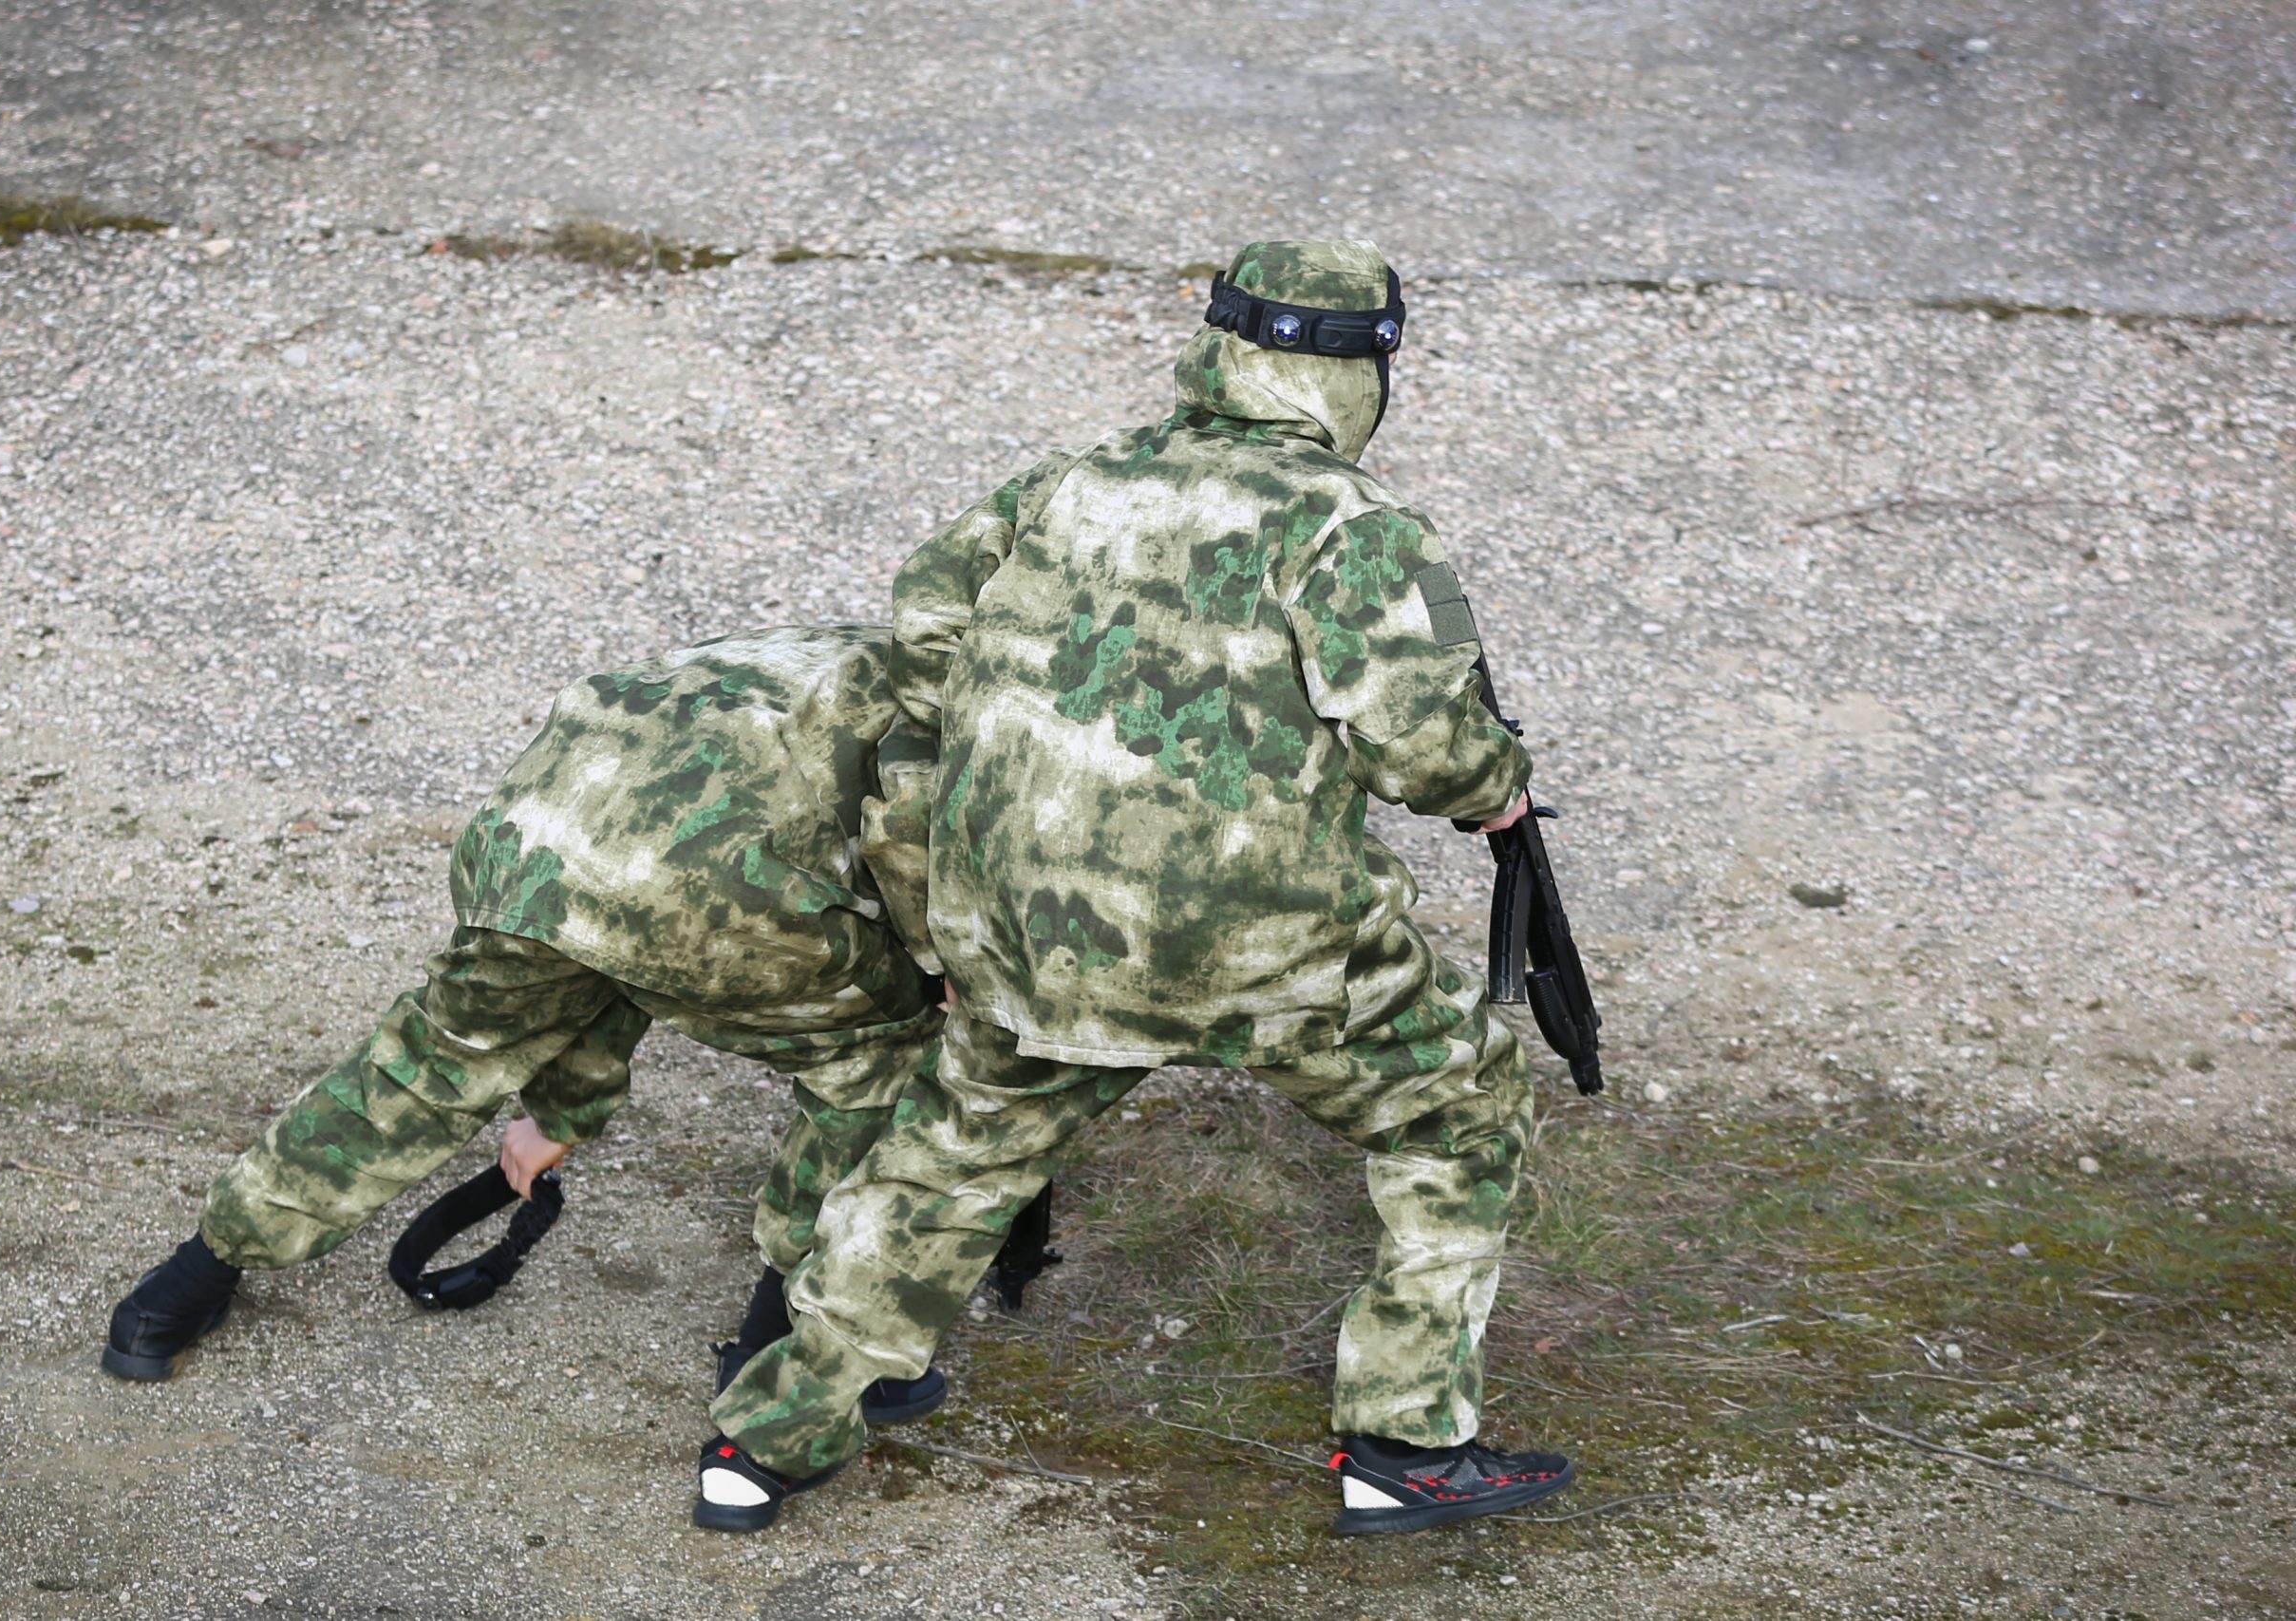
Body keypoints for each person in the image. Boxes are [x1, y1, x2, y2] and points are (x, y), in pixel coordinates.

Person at [698, 240, 1575, 1536]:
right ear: (1364, 371)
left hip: (1031, 931)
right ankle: (1403, 1440)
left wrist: (986, 818)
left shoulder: (1066, 483)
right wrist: (1496, 788)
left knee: (947, 1166)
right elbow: (1420, 743)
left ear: (1216, 344)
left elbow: (923, 636)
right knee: (1457, 1107)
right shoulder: (1356, 523)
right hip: (1262, 944)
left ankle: (761, 1446)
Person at [103, 624, 956, 1427]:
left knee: (429, 1062)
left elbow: (615, 936)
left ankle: (174, 1295)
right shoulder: (980, 710)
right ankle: (792, 1350)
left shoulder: (841, 643)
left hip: (533, 834)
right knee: (883, 1063)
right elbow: (894, 844)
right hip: (716, 881)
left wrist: (561, 1113)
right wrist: (945, 962)